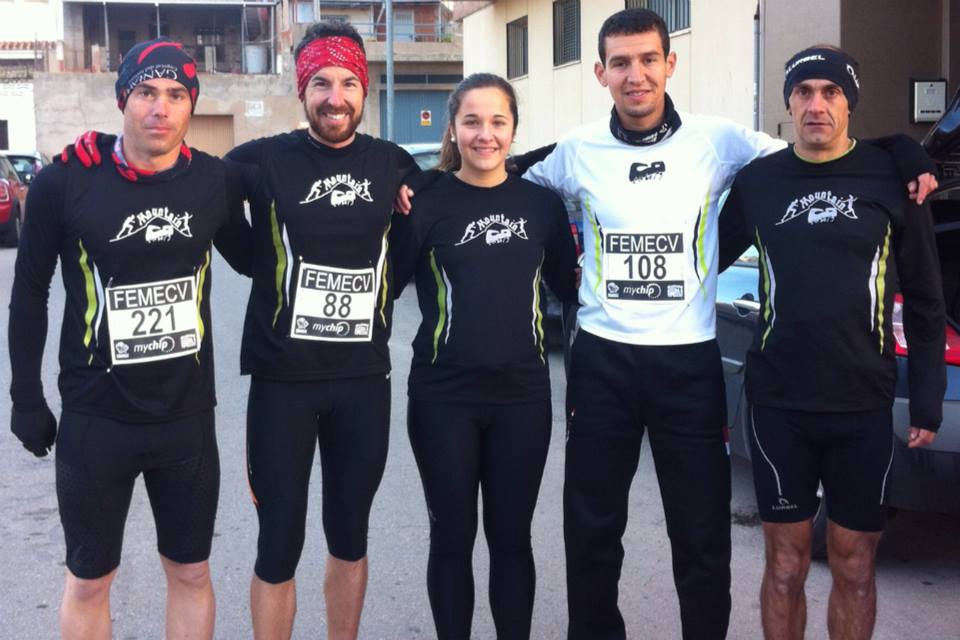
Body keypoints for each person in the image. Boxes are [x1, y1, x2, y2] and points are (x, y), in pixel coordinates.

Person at [512, 8, 939, 640]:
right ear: (601, 73)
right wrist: (417, 185)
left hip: (688, 362)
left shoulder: (722, 141)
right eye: (621, 63)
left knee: (702, 535)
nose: (636, 76)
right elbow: (503, 183)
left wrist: (900, 149)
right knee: (593, 529)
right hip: (602, 363)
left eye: (648, 60)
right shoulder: (576, 151)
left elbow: (820, 153)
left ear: (669, 64)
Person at [8, 38, 250, 640]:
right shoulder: (67, 180)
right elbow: (28, 293)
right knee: (89, 579)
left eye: (175, 95)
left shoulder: (214, 182)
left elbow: (260, 258)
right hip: (97, 418)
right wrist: (25, 395)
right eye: (145, 92)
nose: (159, 109)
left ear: (191, 105)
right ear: (123, 98)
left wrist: (393, 196)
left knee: (191, 572)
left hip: (185, 418)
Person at [717, 46, 946, 640]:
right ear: (788, 102)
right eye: (804, 92)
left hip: (862, 405)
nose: (816, 105)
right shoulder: (758, 183)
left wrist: (926, 396)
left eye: (831, 92)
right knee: (786, 567)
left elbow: (924, 297)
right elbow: (700, 264)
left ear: (850, 100)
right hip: (778, 405)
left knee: (855, 565)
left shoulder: (891, 177)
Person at [224, 21, 418, 640]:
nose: (335, 96)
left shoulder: (393, 164)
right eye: (321, 83)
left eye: (347, 83)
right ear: (301, 88)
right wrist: (258, 261)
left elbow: (411, 247)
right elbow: (208, 201)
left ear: (364, 90)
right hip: (283, 384)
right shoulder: (260, 160)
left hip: (363, 383)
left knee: (349, 534)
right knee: (278, 540)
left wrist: (382, 297)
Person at [390, 73, 577, 639]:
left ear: (513, 128)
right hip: (442, 397)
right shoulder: (423, 201)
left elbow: (572, 292)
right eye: (472, 121)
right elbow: (385, 282)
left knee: (512, 539)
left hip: (522, 398)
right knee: (450, 538)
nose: (485, 134)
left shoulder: (541, 206)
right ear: (453, 127)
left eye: (498, 121)